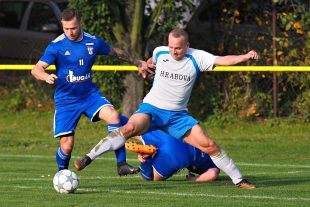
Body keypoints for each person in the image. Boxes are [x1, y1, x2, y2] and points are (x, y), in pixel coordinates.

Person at [75, 28, 258, 189]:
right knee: (129, 128)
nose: (173, 51)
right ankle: (88, 158)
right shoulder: (160, 52)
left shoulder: (198, 57)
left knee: (209, 145)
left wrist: (245, 56)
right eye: (170, 47)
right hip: (152, 108)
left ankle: (239, 180)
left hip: (178, 116)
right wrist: (147, 65)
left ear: (187, 45)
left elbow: (223, 60)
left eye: (177, 48)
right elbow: (151, 60)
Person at [31, 8, 139, 176]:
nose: (70, 32)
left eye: (73, 28)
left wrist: (138, 62)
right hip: (66, 100)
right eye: (66, 29)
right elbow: (36, 69)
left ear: (79, 23)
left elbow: (116, 52)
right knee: (67, 145)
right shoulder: (56, 46)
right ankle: (62, 174)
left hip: (90, 96)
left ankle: (121, 164)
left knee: (114, 116)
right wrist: (45, 77)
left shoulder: (93, 42)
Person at [135, 130, 220, 182]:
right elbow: (213, 173)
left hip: (172, 131)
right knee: (150, 177)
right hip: (177, 154)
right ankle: (145, 159)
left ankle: (146, 156)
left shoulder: (208, 143)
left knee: (137, 132)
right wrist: (194, 179)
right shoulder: (212, 162)